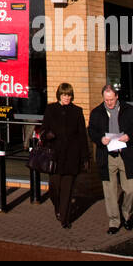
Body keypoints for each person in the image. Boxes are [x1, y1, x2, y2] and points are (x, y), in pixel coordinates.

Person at [88, 83, 133, 233]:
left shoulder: (129, 110)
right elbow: (91, 131)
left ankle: (127, 215)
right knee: (109, 191)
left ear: (116, 96)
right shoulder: (97, 112)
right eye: (106, 100)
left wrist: (128, 136)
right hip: (107, 156)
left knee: (131, 188)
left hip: (126, 154)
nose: (109, 103)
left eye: (111, 99)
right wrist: (100, 139)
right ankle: (114, 221)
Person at [40, 82, 88, 228]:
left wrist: (85, 157)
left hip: (72, 156)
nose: (66, 97)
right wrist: (47, 135)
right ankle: (58, 208)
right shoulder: (51, 109)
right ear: (59, 95)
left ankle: (65, 218)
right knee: (55, 188)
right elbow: (43, 130)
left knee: (67, 189)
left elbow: (82, 137)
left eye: (69, 95)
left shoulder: (77, 111)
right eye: (64, 95)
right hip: (55, 156)